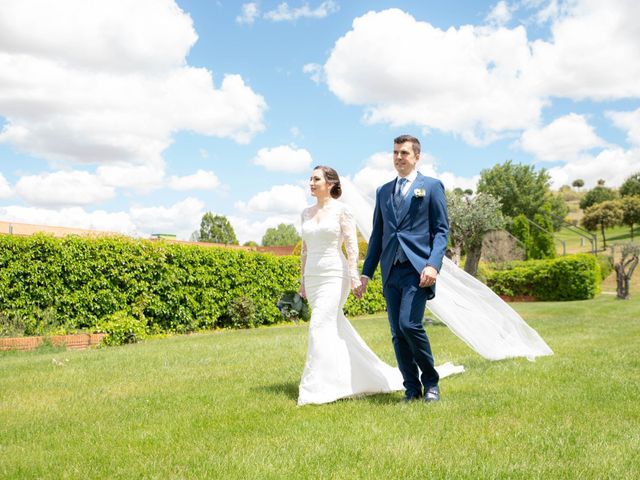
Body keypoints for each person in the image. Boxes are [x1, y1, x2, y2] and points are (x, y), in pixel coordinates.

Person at [297, 165, 404, 406]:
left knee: (318, 326)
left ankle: (314, 389)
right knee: (331, 327)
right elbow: (304, 250)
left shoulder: (342, 211)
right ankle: (350, 378)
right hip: (313, 277)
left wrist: (354, 276)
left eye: (316, 179)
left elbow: (351, 246)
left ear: (331, 184)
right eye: (310, 179)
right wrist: (302, 281)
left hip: (335, 274)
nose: (311, 183)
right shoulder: (305, 213)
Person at [357, 135, 449, 403]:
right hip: (391, 270)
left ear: (417, 156)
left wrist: (433, 264)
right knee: (397, 333)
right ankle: (411, 388)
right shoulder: (383, 191)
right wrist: (367, 273)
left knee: (409, 324)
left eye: (404, 153)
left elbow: (441, 231)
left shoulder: (431, 187)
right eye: (395, 152)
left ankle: (430, 382)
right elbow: (378, 235)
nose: (399, 157)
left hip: (418, 269)